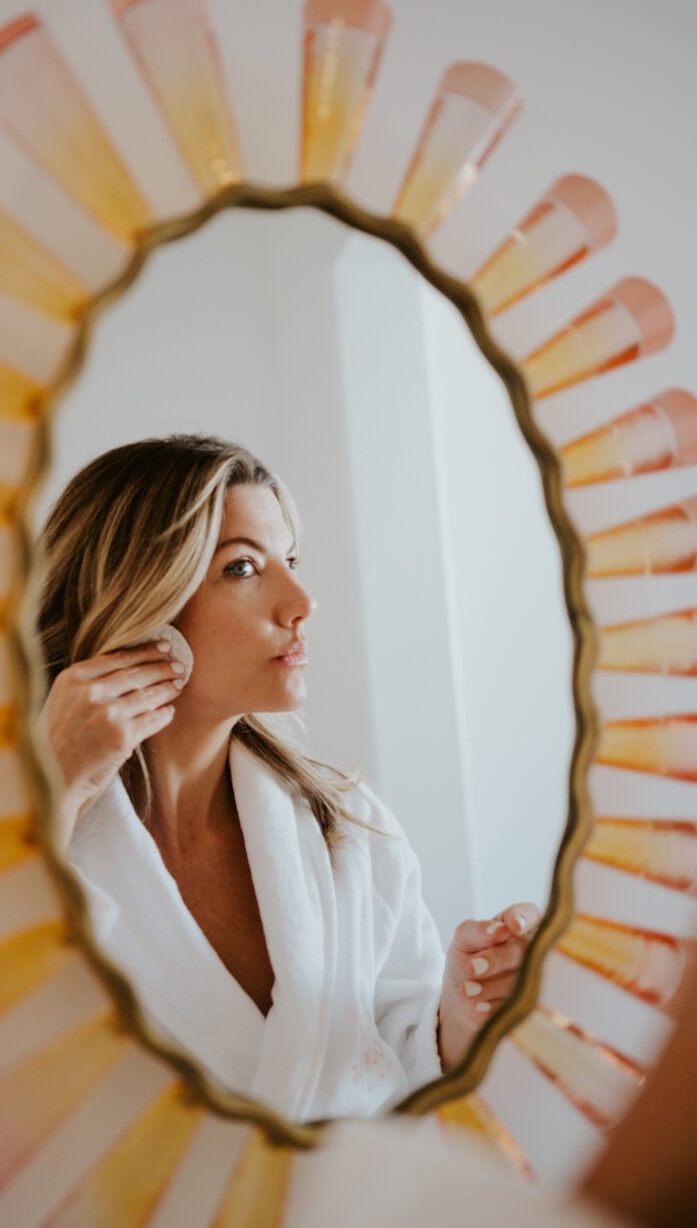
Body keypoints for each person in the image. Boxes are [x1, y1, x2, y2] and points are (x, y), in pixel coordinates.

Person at [36, 433, 539, 1121]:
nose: (301, 600)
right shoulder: (18, 831)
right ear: (138, 601)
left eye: (291, 560)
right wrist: (54, 789)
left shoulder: (344, 824)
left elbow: (396, 1062)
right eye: (243, 569)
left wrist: (461, 1011)